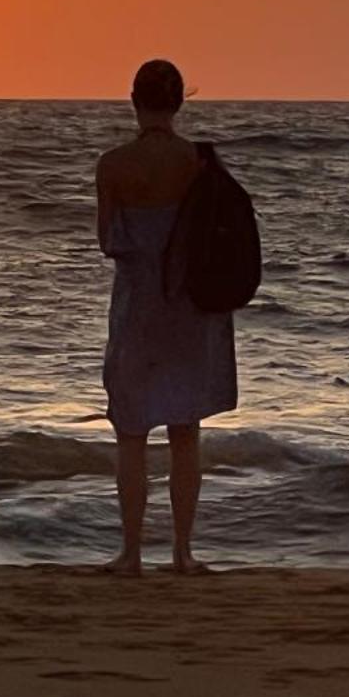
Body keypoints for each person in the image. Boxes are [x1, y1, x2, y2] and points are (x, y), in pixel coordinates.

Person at [94, 58, 237, 575]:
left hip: (137, 307)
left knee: (131, 432)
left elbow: (109, 240)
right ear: (179, 103)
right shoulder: (198, 164)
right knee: (185, 430)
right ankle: (183, 551)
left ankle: (130, 553)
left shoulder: (112, 165)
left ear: (135, 101)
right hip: (190, 307)